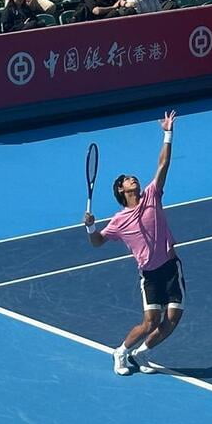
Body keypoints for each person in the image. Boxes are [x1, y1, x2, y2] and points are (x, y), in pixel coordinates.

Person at [84, 111, 182, 376]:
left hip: (171, 267)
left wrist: (168, 133)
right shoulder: (118, 221)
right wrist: (91, 225)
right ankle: (122, 352)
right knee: (151, 321)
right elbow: (97, 242)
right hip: (150, 275)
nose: (133, 179)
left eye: (133, 178)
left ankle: (143, 354)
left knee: (172, 319)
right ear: (121, 190)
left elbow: (163, 164)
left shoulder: (152, 195)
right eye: (127, 179)